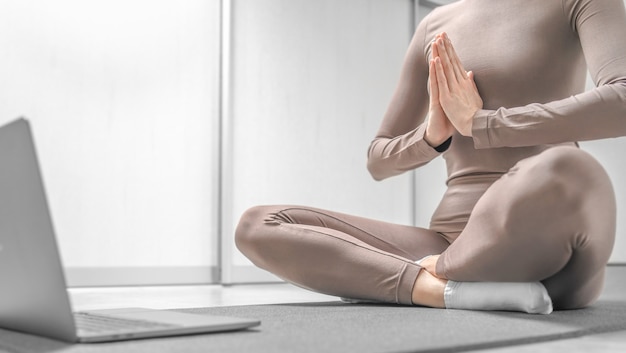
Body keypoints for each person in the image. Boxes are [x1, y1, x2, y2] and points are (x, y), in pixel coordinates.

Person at [235, 0, 626, 313]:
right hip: (447, 243)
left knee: (567, 168)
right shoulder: (436, 23)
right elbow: (379, 159)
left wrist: (483, 124)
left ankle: (431, 276)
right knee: (258, 224)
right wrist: (432, 134)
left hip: (547, 235)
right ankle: (445, 292)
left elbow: (622, 99)